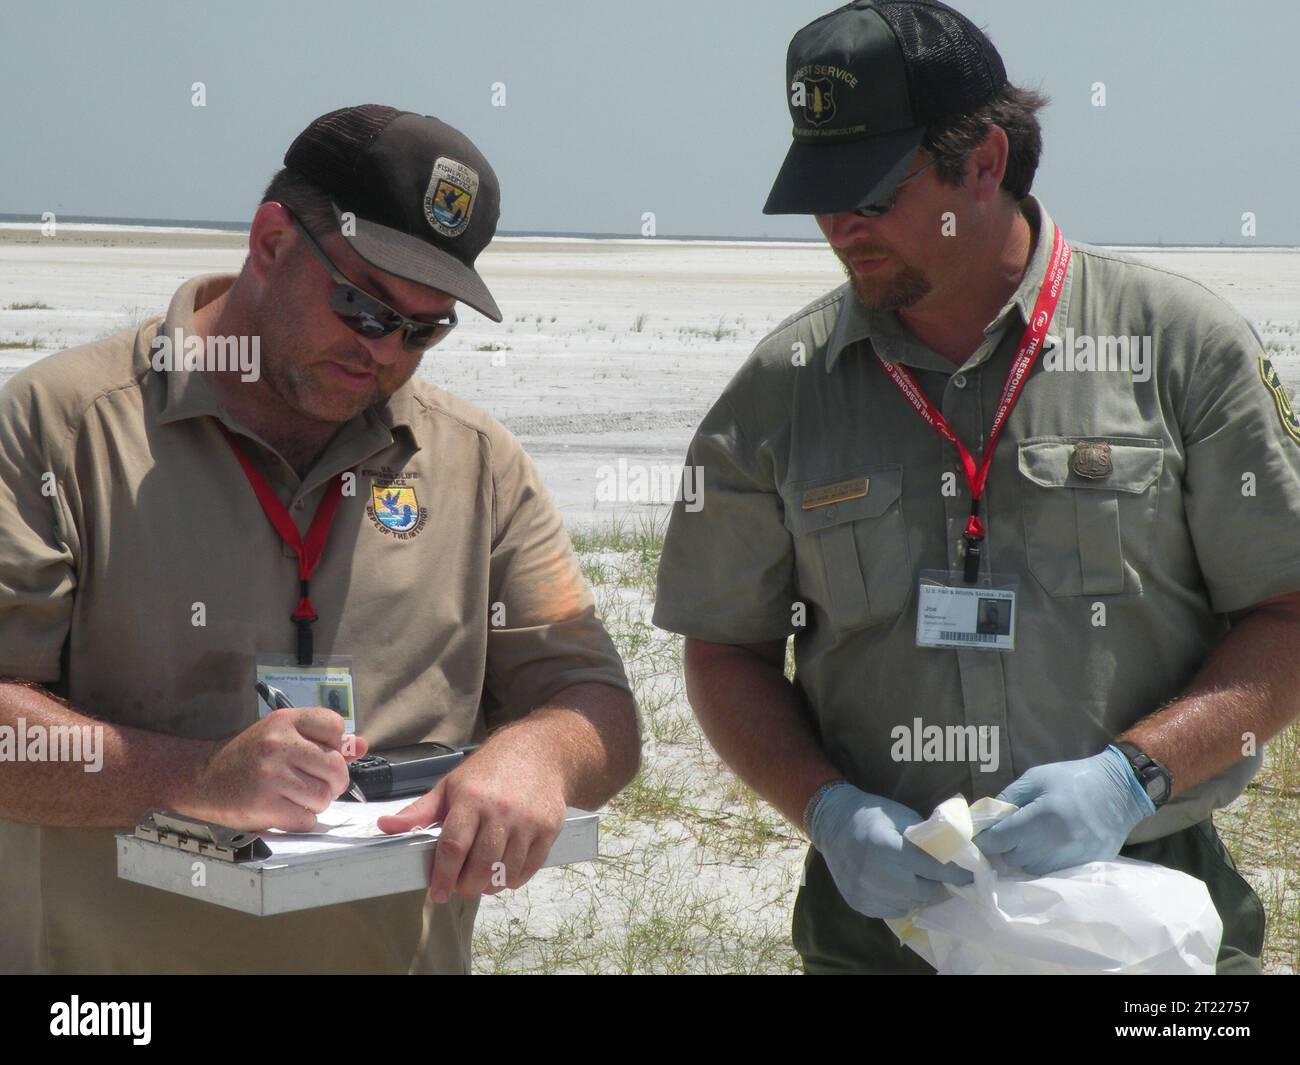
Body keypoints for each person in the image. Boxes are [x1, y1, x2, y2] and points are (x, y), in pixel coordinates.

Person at [653, 0, 1300, 974]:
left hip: (1144, 910)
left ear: (986, 162)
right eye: (820, 192)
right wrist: (828, 811)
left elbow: (1286, 615)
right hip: (880, 928)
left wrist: (1133, 775)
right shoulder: (782, 391)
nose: (840, 224)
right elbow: (725, 649)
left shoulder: (1180, 350)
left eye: (872, 188)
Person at [0, 104, 639, 974]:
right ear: (270, 242)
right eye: (365, 308)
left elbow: (596, 701)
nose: (387, 353)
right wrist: (191, 777)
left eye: (427, 329)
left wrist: (540, 754)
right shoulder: (59, 429)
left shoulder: (477, 463)